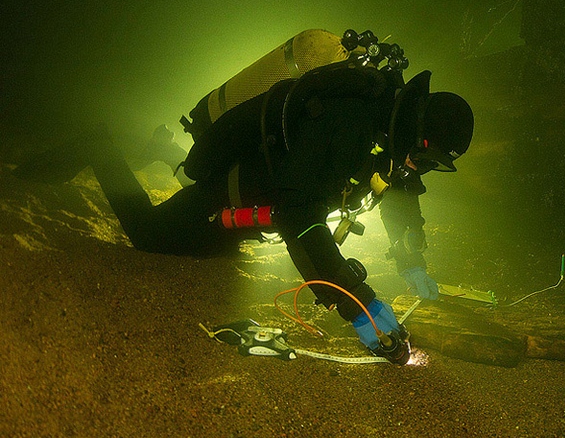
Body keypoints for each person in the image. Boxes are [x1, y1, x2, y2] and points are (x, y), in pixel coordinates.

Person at [14, 32, 474, 365]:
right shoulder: (349, 124)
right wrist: (359, 305)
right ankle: (98, 147)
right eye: (424, 158)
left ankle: (164, 152)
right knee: (149, 236)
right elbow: (300, 213)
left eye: (429, 165)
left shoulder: (390, 130)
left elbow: (400, 190)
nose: (418, 168)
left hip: (261, 201)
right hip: (235, 184)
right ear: (417, 133)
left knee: (211, 249)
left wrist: (411, 260)